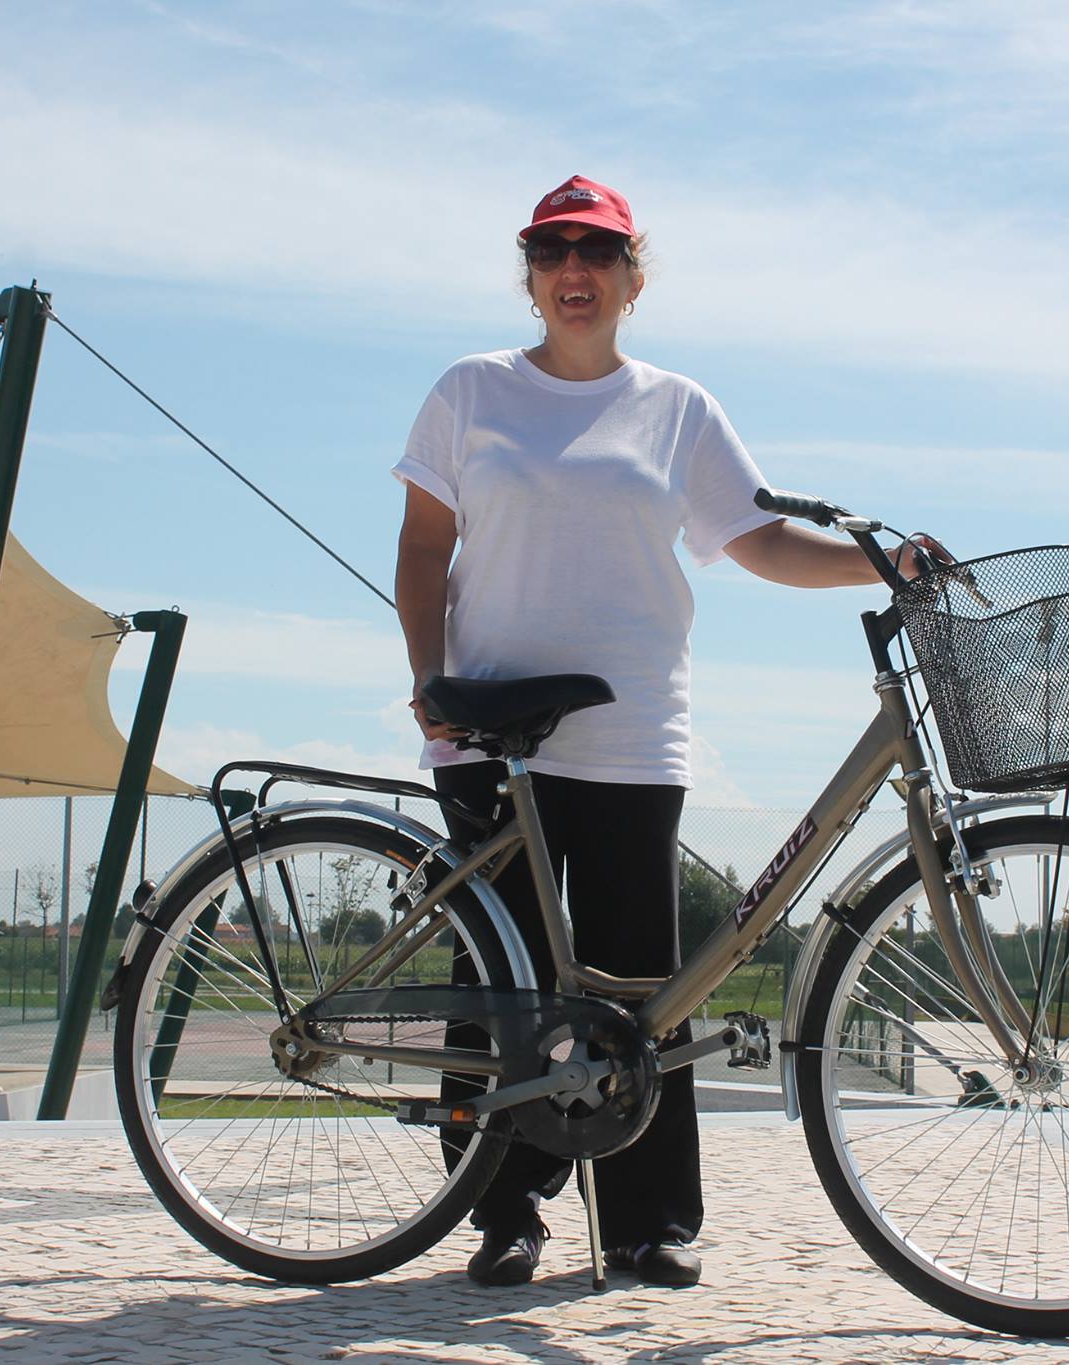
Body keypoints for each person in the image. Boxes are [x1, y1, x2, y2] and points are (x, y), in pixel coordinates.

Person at [392, 174, 931, 1290]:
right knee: (504, 981)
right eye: (550, 252)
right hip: (494, 733)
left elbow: (759, 542)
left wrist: (879, 565)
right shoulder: (471, 391)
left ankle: (647, 1220)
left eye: (597, 252)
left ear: (634, 277)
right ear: (529, 277)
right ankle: (502, 1209)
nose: (572, 272)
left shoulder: (678, 407)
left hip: (634, 731)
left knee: (644, 985)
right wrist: (428, 678)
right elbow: (423, 545)